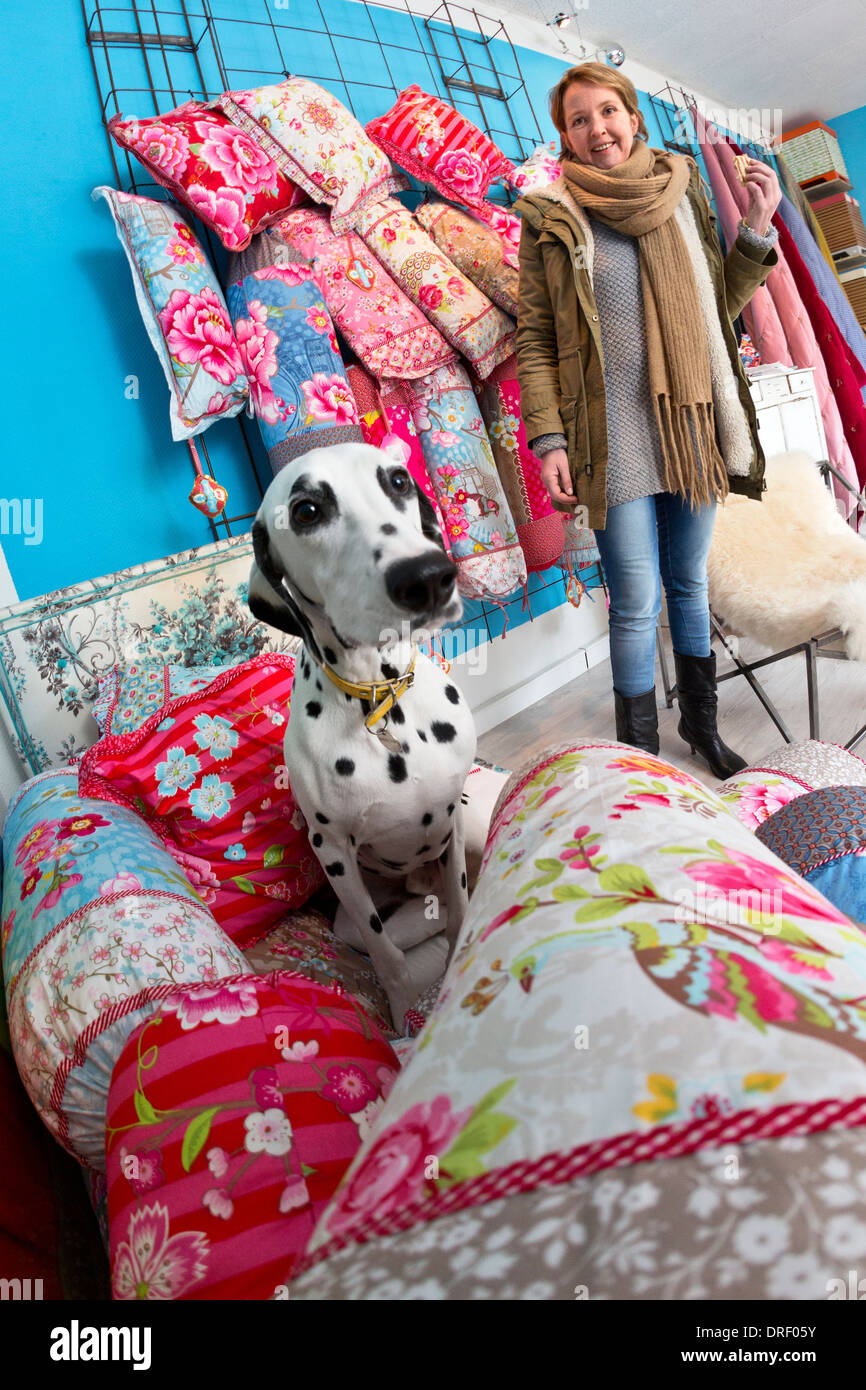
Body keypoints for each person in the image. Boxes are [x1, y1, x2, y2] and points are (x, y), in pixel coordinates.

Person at [513, 62, 782, 777]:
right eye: (578, 119)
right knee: (635, 600)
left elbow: (714, 316)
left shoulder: (683, 188)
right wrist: (548, 439)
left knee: (689, 584)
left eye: (607, 111)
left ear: (633, 117)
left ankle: (701, 726)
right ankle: (640, 758)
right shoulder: (550, 217)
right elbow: (535, 340)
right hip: (611, 432)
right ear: (564, 136)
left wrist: (756, 227)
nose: (596, 128)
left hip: (690, 423)